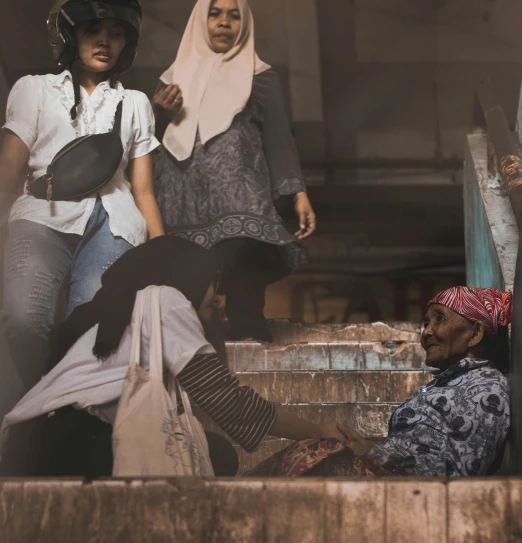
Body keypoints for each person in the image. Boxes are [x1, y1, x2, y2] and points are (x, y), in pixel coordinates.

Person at [0, 236, 347, 479]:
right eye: (213, 283)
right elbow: (229, 405)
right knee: (215, 454)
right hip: (73, 445)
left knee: (208, 450)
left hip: (33, 445)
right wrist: (318, 429)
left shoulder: (113, 313)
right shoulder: (165, 300)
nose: (218, 298)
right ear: (189, 278)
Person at [0, 0, 164, 394]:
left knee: (90, 329)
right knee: (24, 318)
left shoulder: (136, 103)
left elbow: (142, 189)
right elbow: (8, 168)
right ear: (70, 35)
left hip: (114, 221)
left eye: (117, 32)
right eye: (93, 30)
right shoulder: (34, 89)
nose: (105, 41)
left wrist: (164, 256)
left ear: (128, 43)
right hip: (42, 214)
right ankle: (35, 404)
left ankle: (65, 412)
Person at [152, 0, 316, 343]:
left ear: (245, 23)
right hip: (183, 198)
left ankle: (251, 342)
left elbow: (278, 138)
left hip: (241, 194)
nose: (224, 23)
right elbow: (146, 142)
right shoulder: (170, 80)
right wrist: (158, 113)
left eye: (233, 15)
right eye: (215, 14)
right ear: (200, 20)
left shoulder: (262, 77)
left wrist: (298, 192)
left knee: (244, 265)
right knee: (191, 294)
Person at [250, 287, 512, 478]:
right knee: (316, 449)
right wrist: (369, 449)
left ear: (476, 333)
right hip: (395, 478)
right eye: (425, 322)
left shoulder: (486, 388)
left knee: (316, 459)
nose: (426, 332)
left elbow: (464, 470)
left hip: (419, 494)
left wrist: (375, 453)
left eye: (440, 319)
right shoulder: (447, 385)